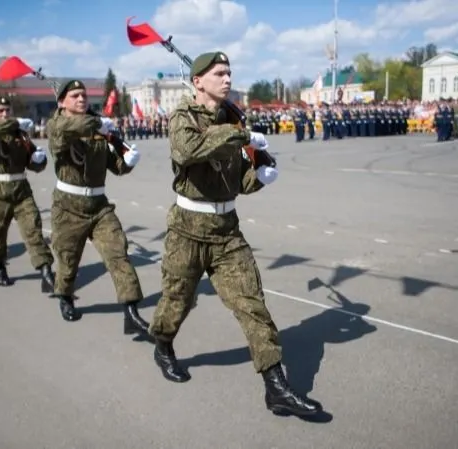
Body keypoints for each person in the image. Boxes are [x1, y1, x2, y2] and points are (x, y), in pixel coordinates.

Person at [148, 51, 323, 418]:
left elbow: (237, 182)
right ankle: (162, 343)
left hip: (228, 233)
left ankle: (276, 388)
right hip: (187, 232)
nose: (227, 79)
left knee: (252, 305)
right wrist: (241, 134)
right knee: (176, 303)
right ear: (198, 81)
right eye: (219, 74)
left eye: (230, 73)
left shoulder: (232, 117)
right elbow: (189, 149)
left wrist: (259, 177)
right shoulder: (184, 118)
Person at [45, 79, 150, 335]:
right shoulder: (57, 125)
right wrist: (99, 125)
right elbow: (66, 131)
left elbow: (116, 167)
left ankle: (131, 310)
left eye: (84, 95)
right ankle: (65, 296)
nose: (81, 99)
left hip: (99, 206)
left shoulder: (98, 127)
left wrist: (128, 160)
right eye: (75, 96)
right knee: (68, 259)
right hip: (68, 207)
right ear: (62, 102)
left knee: (118, 253)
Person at [0, 97, 55, 292]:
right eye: (0, 111)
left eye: (7, 111)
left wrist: (39, 160)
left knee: (34, 230)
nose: (4, 114)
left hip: (21, 190)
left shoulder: (20, 134)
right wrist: (13, 124)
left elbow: (33, 165)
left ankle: (46, 271)